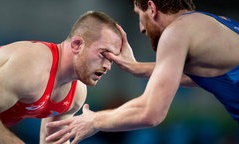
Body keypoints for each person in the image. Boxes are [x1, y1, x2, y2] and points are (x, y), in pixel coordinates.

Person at [45, 0, 239, 144]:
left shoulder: (176, 33)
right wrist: (136, 67)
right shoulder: (217, 24)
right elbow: (203, 77)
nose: (141, 27)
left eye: (139, 14)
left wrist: (95, 120)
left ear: (152, 8)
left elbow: (151, 113)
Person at [0, 10, 122, 144]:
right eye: (103, 54)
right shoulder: (33, 65)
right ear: (77, 44)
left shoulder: (76, 94)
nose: (108, 66)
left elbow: (54, 141)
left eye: (111, 59)